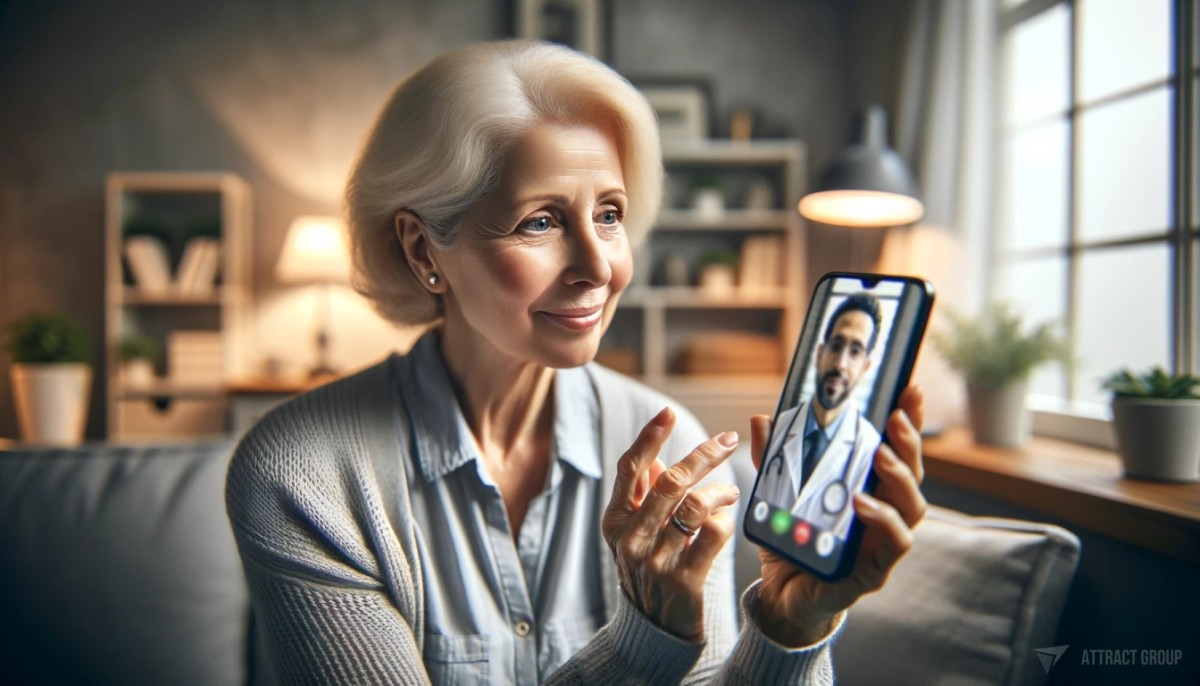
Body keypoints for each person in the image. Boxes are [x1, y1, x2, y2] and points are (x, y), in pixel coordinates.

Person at [225, 40, 928, 685]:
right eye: (541, 220)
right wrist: (642, 641)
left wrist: (787, 629)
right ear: (421, 248)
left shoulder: (674, 448)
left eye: (610, 214)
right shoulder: (300, 472)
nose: (599, 267)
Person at [758, 293, 884, 540]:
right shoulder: (782, 425)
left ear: (865, 367)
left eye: (855, 351)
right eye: (836, 346)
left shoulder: (870, 449)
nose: (840, 364)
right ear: (819, 354)